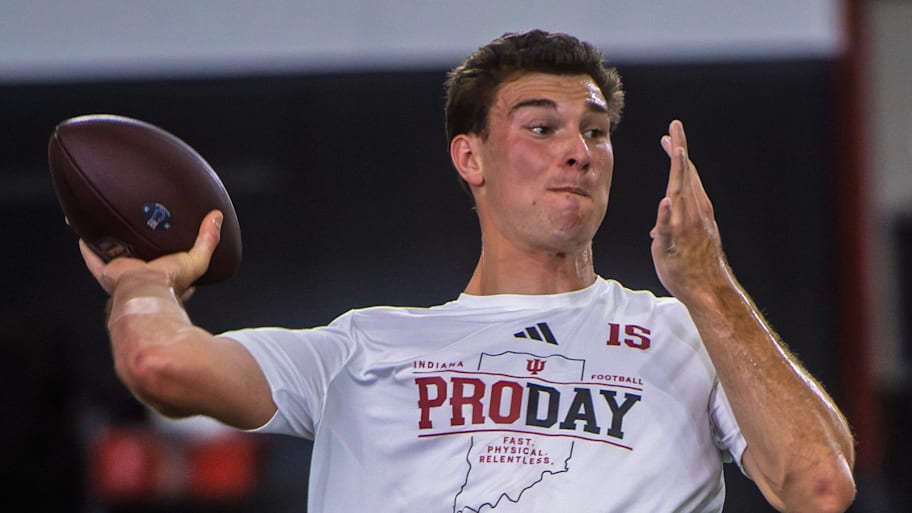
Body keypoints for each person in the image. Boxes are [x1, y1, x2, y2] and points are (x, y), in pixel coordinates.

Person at [80, 30, 856, 512]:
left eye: (595, 130)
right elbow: (159, 362)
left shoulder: (684, 334)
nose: (578, 150)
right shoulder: (361, 349)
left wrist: (710, 285)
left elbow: (819, 487)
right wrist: (142, 282)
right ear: (470, 156)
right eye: (542, 127)